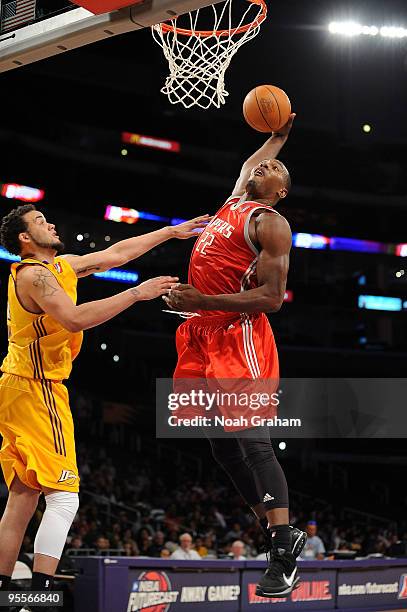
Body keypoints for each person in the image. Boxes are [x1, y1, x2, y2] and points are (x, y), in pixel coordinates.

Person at [0, 205, 208, 601]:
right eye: (41, 221)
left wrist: (169, 231)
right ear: (25, 238)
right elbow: (75, 319)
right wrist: (135, 293)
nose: (52, 222)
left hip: (18, 386)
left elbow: (118, 254)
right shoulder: (36, 275)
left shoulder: (59, 267)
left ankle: (3, 591)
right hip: (37, 386)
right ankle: (39, 598)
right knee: (63, 497)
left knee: (23, 497)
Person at [164, 115, 306, 598]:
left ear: (281, 191)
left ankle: (283, 552)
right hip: (200, 333)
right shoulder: (234, 201)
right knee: (219, 445)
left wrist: (202, 301)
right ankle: (276, 530)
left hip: (238, 333)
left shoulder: (270, 222)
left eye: (276, 166)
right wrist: (279, 135)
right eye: (261, 163)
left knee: (253, 442)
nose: (265, 166)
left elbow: (270, 299)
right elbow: (253, 161)